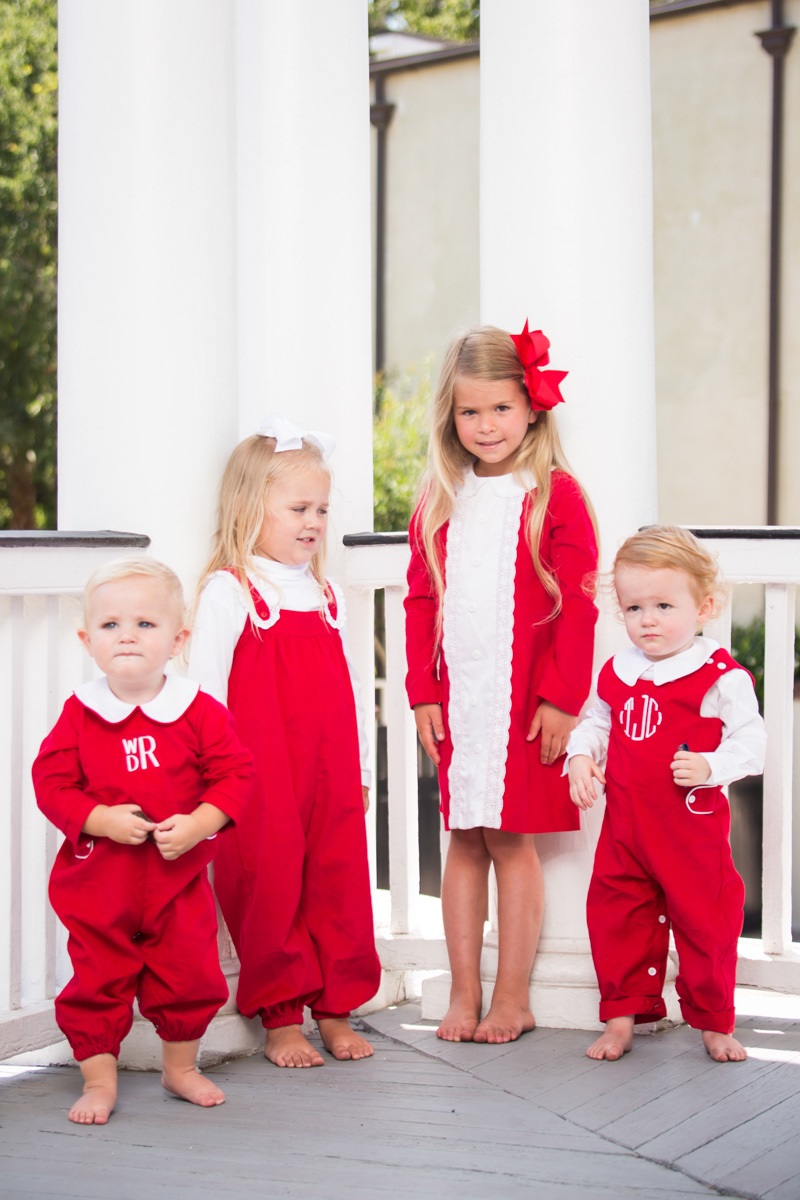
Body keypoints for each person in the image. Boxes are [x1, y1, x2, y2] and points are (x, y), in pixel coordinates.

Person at [405, 321, 599, 1044]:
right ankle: (464, 992)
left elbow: (577, 604)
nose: (485, 426)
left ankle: (512, 996)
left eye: (500, 409)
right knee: (464, 836)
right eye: (469, 412)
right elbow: (421, 597)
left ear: (532, 409)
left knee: (511, 839)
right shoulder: (441, 497)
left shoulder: (555, 495)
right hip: (461, 700)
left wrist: (560, 701)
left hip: (523, 704)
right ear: (450, 417)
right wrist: (423, 690)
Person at [187, 415, 381, 1069]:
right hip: (259, 773)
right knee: (268, 882)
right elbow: (206, 692)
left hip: (329, 771)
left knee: (339, 880)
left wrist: (361, 768)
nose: (314, 521)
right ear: (252, 507)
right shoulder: (232, 592)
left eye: (321, 509)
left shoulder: (326, 595)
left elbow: (351, 689)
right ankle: (281, 1016)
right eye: (298, 507)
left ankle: (336, 1008)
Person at [32, 558, 254, 1125]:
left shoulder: (199, 710)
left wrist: (202, 822)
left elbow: (235, 775)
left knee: (189, 975)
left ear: (178, 639)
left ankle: (180, 1068)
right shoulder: (81, 714)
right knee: (96, 981)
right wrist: (99, 818)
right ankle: (98, 1081)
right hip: (99, 888)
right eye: (110, 625)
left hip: (175, 886)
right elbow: (51, 781)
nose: (126, 634)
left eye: (145, 624)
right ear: (88, 639)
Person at [567, 525, 766, 1063]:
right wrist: (581, 756)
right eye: (634, 609)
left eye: (662, 605)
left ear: (704, 607)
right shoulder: (619, 672)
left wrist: (710, 765)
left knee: (706, 922)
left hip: (690, 833)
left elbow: (753, 744)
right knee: (617, 918)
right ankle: (620, 1019)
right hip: (626, 832)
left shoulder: (719, 676)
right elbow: (595, 723)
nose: (647, 620)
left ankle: (715, 1022)